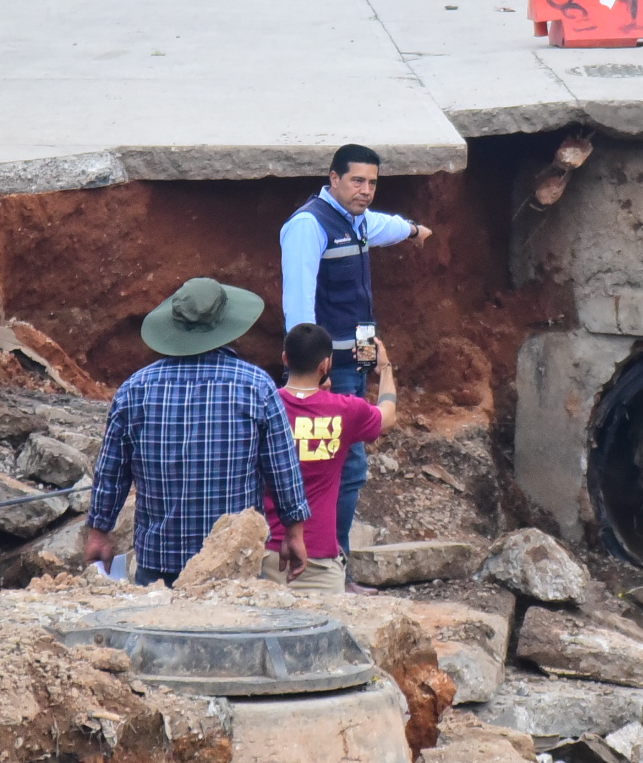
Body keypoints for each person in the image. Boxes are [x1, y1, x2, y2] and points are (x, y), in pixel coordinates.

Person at [85, 277, 311, 586]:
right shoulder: (256, 387)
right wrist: (294, 532)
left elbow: (111, 472)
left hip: (158, 563)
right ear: (225, 324)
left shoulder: (134, 391)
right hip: (234, 565)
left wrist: (99, 532)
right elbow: (282, 469)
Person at [280, 143, 431, 589]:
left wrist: (414, 229)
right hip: (332, 362)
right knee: (347, 463)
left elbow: (383, 227)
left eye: (372, 183)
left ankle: (328, 554)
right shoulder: (309, 226)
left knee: (346, 457)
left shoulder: (357, 220)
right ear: (333, 179)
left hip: (360, 351)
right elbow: (299, 304)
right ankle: (330, 563)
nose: (365, 191)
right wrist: (313, 369)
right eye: (357, 181)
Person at [260, 323, 397, 593]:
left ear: (285, 358)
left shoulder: (263, 406)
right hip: (319, 560)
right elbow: (387, 415)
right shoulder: (346, 410)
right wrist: (385, 369)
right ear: (326, 365)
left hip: (265, 556)